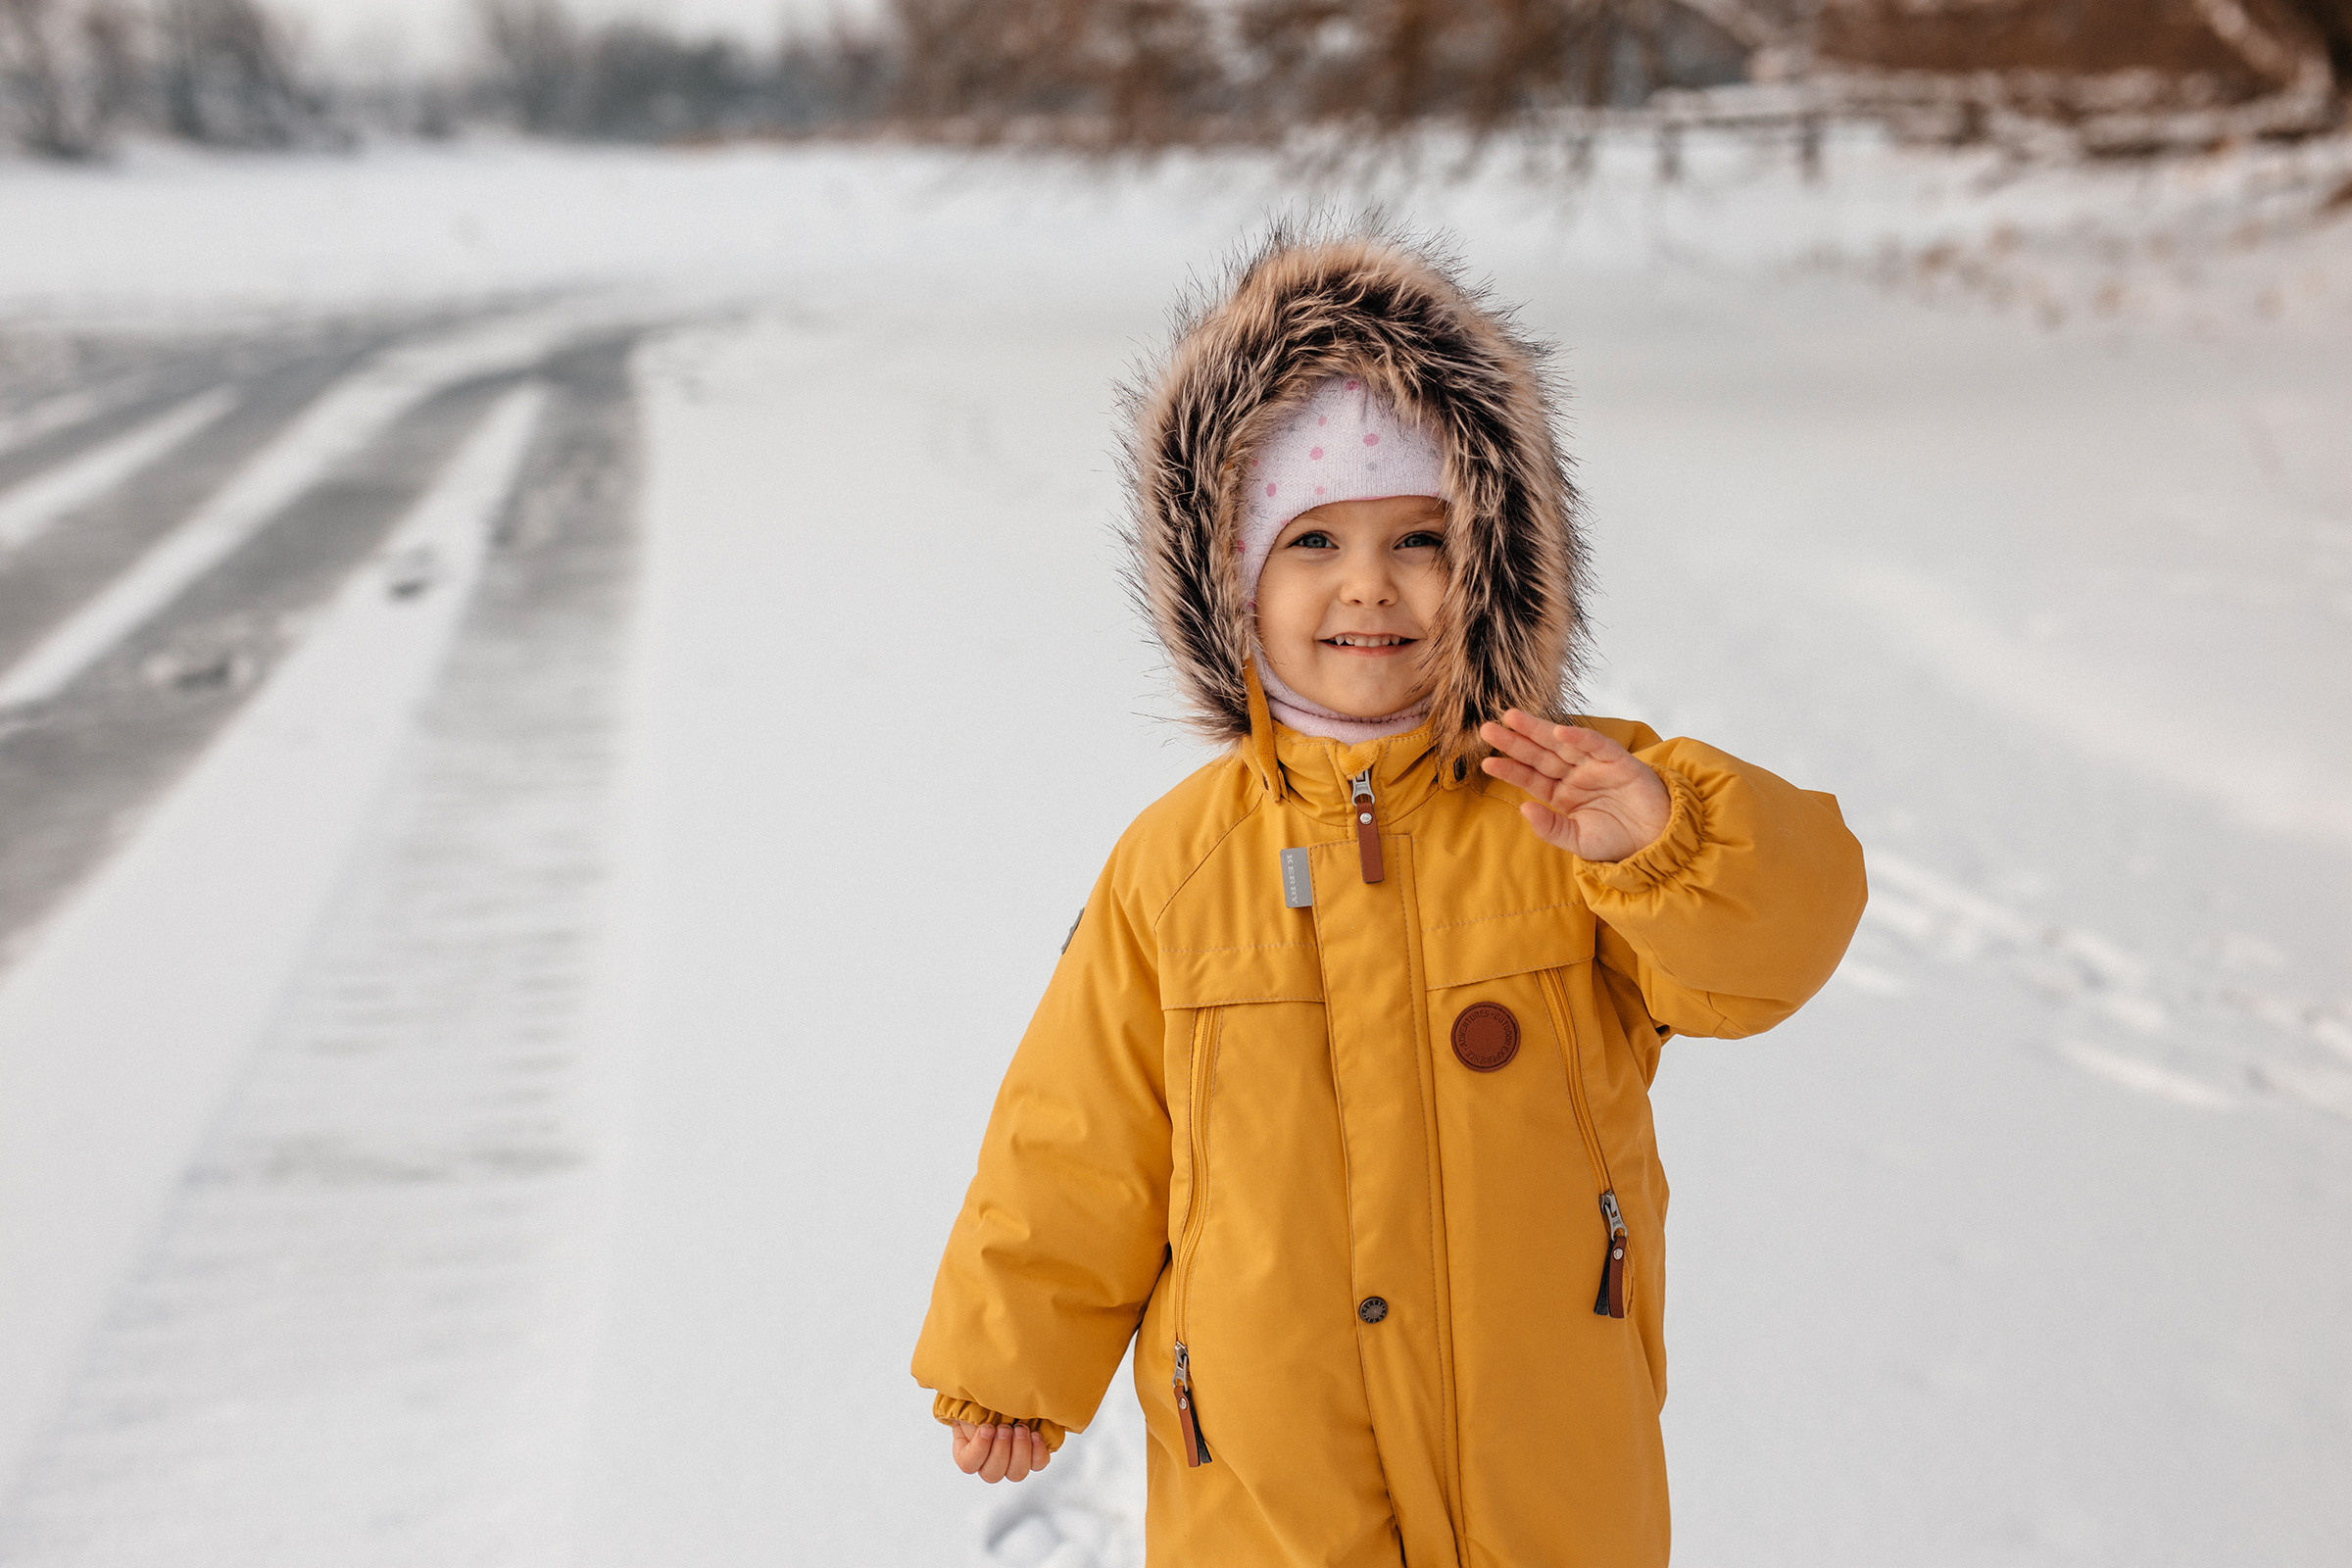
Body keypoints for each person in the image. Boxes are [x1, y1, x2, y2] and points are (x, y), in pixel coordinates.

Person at [911, 225, 1868, 1567]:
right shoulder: (1177, 865)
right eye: (1313, 541)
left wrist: (1662, 845)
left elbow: (1775, 953)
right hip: (1267, 1474)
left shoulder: (1573, 800)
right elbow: (1079, 1131)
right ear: (1232, 579)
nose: (1369, 585)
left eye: (1420, 537)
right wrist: (1011, 1351)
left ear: (1488, 565)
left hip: (1546, 1468)